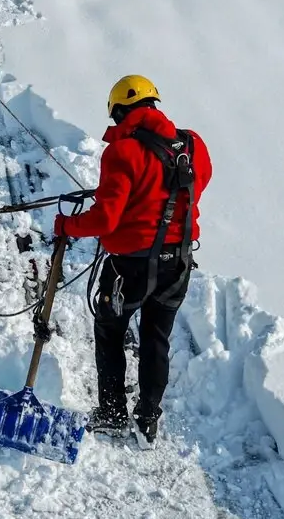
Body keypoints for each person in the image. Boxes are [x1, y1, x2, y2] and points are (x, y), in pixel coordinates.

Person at [54, 75, 212, 443]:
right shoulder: (193, 145)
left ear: (121, 111)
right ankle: (147, 419)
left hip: (130, 265)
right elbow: (196, 183)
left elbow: (104, 219)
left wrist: (67, 225)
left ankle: (111, 412)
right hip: (179, 263)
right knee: (156, 338)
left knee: (109, 330)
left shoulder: (122, 152)